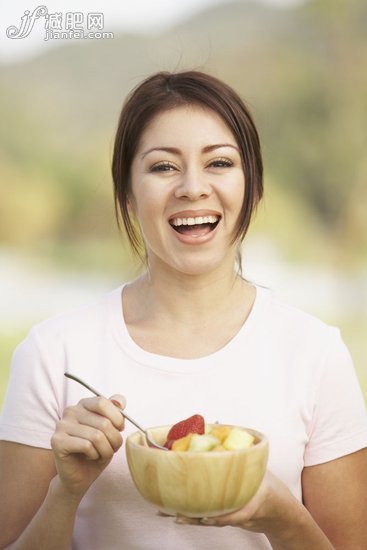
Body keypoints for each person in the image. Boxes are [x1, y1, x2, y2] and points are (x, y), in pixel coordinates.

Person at [0, 70, 366, 550]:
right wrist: (65, 491)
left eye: (219, 163)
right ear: (128, 194)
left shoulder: (316, 355)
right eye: (163, 167)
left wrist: (282, 519)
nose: (193, 188)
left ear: (252, 186)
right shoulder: (53, 354)